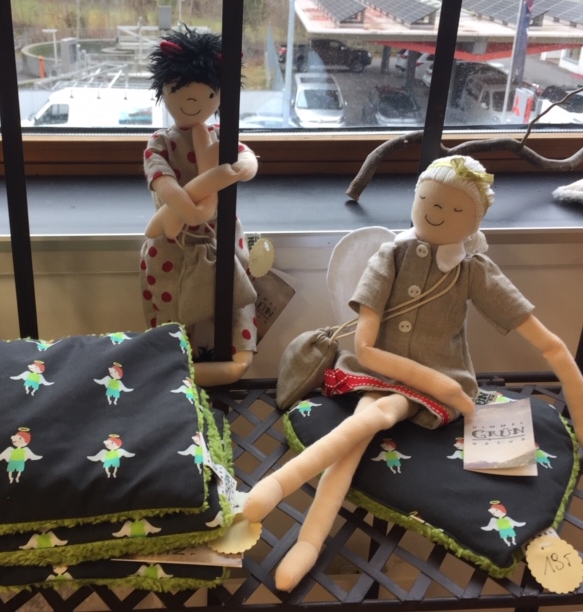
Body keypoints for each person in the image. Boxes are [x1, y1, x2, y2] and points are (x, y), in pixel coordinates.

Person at [242, 155, 583, 591]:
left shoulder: (472, 271)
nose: (437, 212)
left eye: (455, 209)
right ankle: (298, 526)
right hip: (381, 369)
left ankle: (285, 501)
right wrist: (439, 385)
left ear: (475, 221)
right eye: (429, 200)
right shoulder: (391, 255)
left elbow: (547, 342)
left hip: (440, 379)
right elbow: (365, 347)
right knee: (362, 427)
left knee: (375, 417)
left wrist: (571, 388)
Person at [139, 27, 258, 386]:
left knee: (235, 296)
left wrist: (242, 167)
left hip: (220, 236)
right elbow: (164, 183)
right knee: (171, 302)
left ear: (219, 94)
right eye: (179, 91)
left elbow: (247, 158)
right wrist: (197, 206)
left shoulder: (221, 137)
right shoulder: (160, 143)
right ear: (164, 90)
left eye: (207, 93)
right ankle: (169, 370)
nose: (193, 101)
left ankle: (233, 362)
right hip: (172, 242)